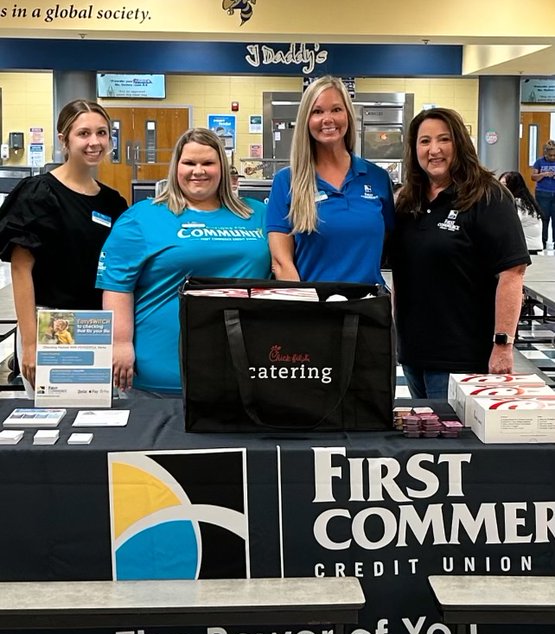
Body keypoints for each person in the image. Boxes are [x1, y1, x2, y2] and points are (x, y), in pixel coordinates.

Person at [97, 127, 271, 395]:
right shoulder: (142, 218)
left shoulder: (258, 214)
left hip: (243, 368)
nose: (198, 171)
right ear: (176, 167)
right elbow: (117, 285)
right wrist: (120, 343)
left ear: (223, 168)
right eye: (189, 163)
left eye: (208, 163)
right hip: (161, 372)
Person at [390, 107, 529, 400]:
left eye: (444, 139)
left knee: (456, 443)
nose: (434, 149)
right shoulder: (407, 201)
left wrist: (503, 345)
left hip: (462, 356)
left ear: (460, 144)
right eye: (424, 141)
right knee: (426, 436)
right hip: (414, 354)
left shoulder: (487, 196)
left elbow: (512, 273)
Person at [0, 99, 127, 391]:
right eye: (83, 133)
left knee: (102, 425)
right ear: (63, 140)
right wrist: (30, 345)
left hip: (98, 327)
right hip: (50, 326)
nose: (95, 142)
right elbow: (21, 270)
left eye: (102, 133)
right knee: (58, 424)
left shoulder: (113, 202)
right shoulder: (39, 194)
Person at [266, 75, 394, 283]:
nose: (328, 119)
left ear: (348, 116)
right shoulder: (287, 181)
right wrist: (307, 307)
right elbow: (281, 262)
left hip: (368, 308)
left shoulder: (377, 178)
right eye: (317, 111)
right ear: (306, 120)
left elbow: (388, 246)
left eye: (336, 109)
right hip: (314, 310)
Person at [499, 171, 543, 254]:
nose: (500, 187)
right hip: (527, 246)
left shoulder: (519, 203)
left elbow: (509, 223)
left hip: (527, 247)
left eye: (504, 184)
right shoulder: (526, 201)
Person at [530, 139, 555, 249]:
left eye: (554, 155)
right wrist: (544, 174)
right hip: (543, 193)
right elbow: (533, 177)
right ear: (545, 153)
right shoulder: (539, 162)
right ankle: (543, 242)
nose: (552, 158)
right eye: (550, 155)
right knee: (544, 218)